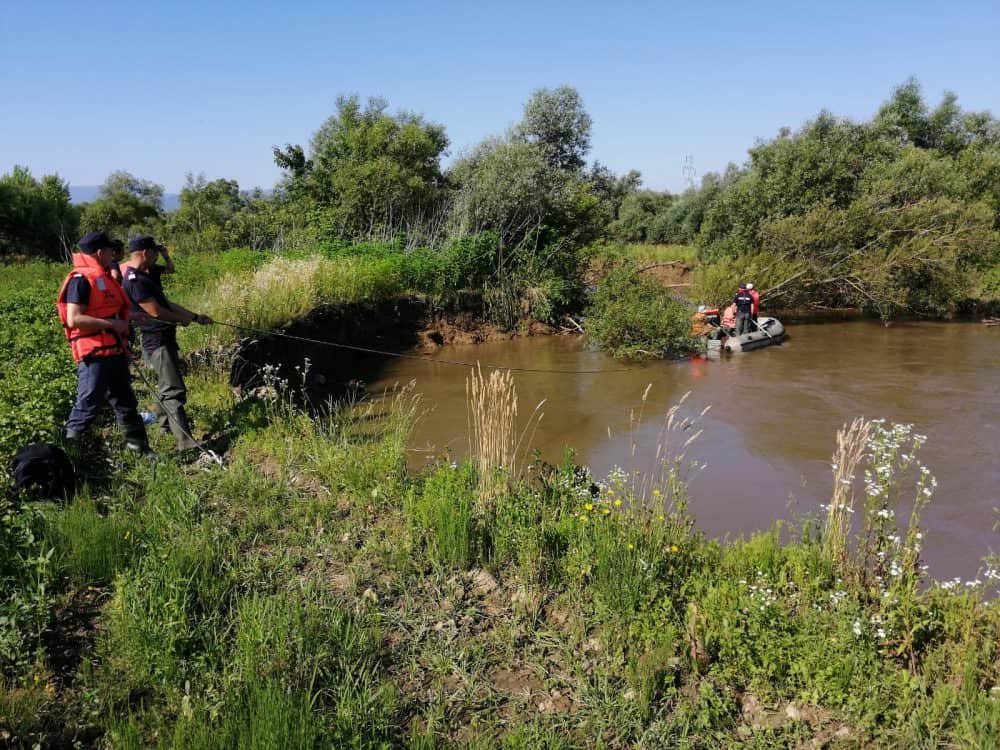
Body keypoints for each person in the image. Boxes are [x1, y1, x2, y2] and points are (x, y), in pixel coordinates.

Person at [56, 231, 150, 453]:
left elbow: (108, 311)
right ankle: (70, 456)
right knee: (88, 404)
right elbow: (74, 318)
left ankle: (140, 450)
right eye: (110, 250)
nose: (113, 254)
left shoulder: (104, 276)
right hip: (95, 354)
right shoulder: (80, 280)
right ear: (100, 252)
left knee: (126, 402)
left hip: (114, 351)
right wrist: (111, 325)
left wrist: (129, 318)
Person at [121, 235, 213, 451]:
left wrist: (195, 317)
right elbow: (156, 311)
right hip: (157, 341)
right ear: (145, 253)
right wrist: (181, 320)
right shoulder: (134, 281)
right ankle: (186, 442)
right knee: (173, 390)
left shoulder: (146, 275)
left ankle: (164, 427)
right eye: (154, 253)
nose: (156, 257)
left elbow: (166, 303)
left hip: (162, 339)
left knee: (165, 387)